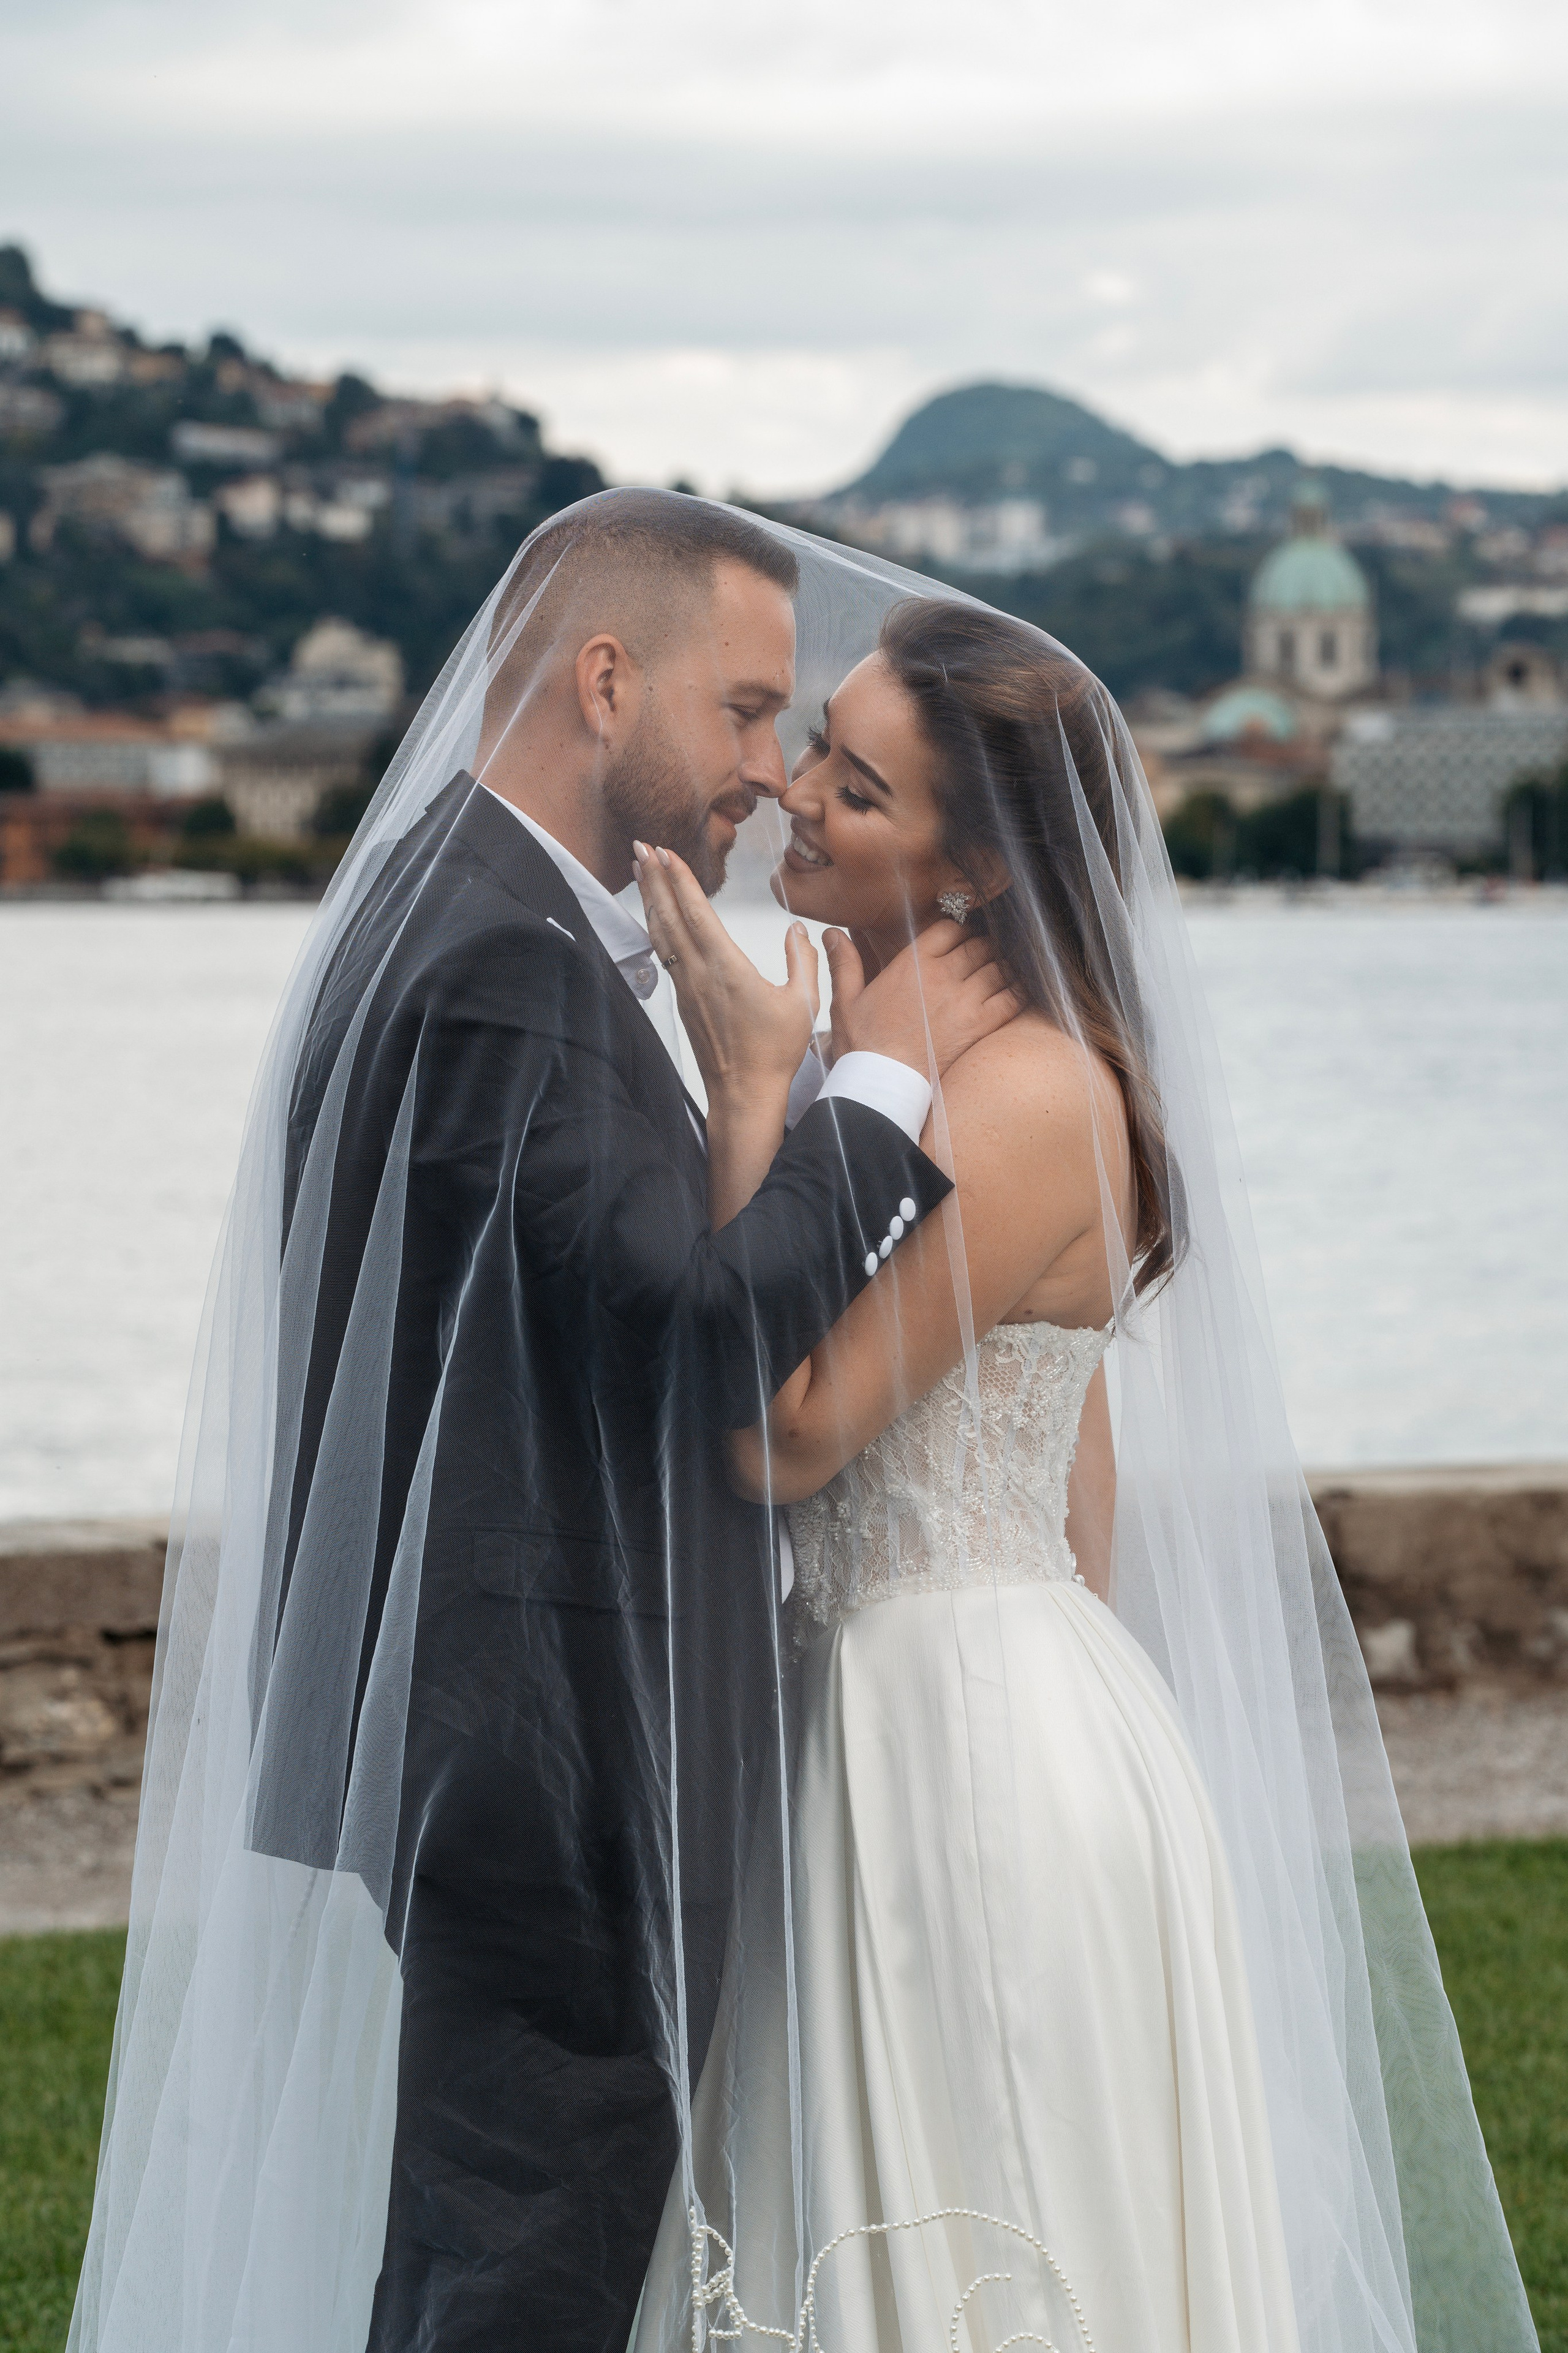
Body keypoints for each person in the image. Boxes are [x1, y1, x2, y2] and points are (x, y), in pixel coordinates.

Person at [68, 496, 1019, 2353]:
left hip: (498, 1719)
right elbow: (684, 1328)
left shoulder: (458, 902)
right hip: (555, 1742)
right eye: (748, 710)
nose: (768, 769)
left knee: (487, 2262)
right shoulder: (506, 962)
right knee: (527, 2283)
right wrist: (874, 1093)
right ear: (605, 679)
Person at [627, 594, 1540, 2353]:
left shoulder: (1028, 1095)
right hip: (892, 1708)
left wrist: (750, 1098)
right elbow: (1085, 1477)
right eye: (820, 741)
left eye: (861, 785)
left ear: (971, 869)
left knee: (993, 2236)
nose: (802, 792)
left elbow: (784, 1427)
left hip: (966, 1742)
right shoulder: (911, 1068)